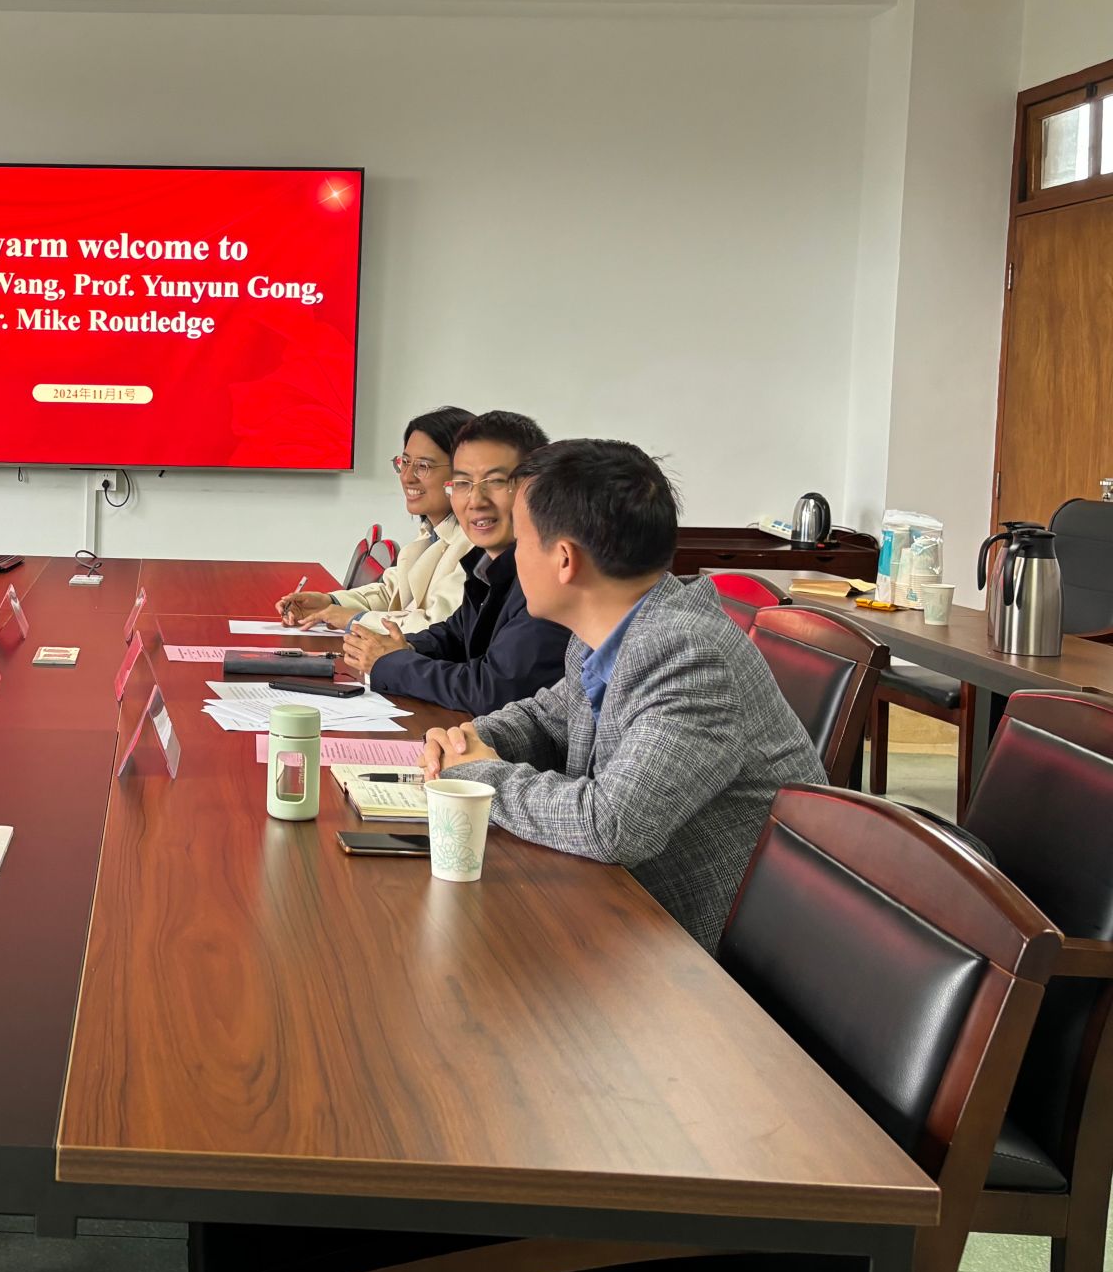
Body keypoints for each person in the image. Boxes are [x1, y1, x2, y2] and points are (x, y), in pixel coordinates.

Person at [423, 438, 828, 951]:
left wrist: (480, 776)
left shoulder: (688, 655)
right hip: (620, 914)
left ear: (564, 559)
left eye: (521, 541)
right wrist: (473, 740)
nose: (514, 558)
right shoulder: (609, 633)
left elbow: (614, 825)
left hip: (711, 957)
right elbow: (548, 719)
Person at [341, 411, 568, 713]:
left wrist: (392, 662)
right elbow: (455, 635)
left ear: (535, 488)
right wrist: (404, 648)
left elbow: (494, 690)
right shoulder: (487, 565)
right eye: (462, 483)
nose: (476, 500)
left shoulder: (549, 578)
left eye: (495, 481)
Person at [276, 406, 473, 634]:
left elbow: (438, 625)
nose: (406, 477)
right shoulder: (433, 532)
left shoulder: (475, 546)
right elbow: (391, 593)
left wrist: (354, 619)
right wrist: (330, 602)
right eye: (405, 462)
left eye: (423, 466)